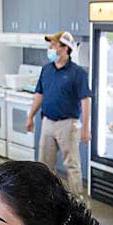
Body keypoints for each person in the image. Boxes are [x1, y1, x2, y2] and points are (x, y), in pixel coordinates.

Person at [26, 31, 92, 198]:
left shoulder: (78, 74)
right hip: (48, 121)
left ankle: (77, 201)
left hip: (68, 124)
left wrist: (85, 128)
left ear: (65, 48)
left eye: (53, 45)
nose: (50, 48)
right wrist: (30, 116)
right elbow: (39, 95)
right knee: (44, 165)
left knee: (72, 164)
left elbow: (85, 101)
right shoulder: (46, 70)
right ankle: (46, 198)